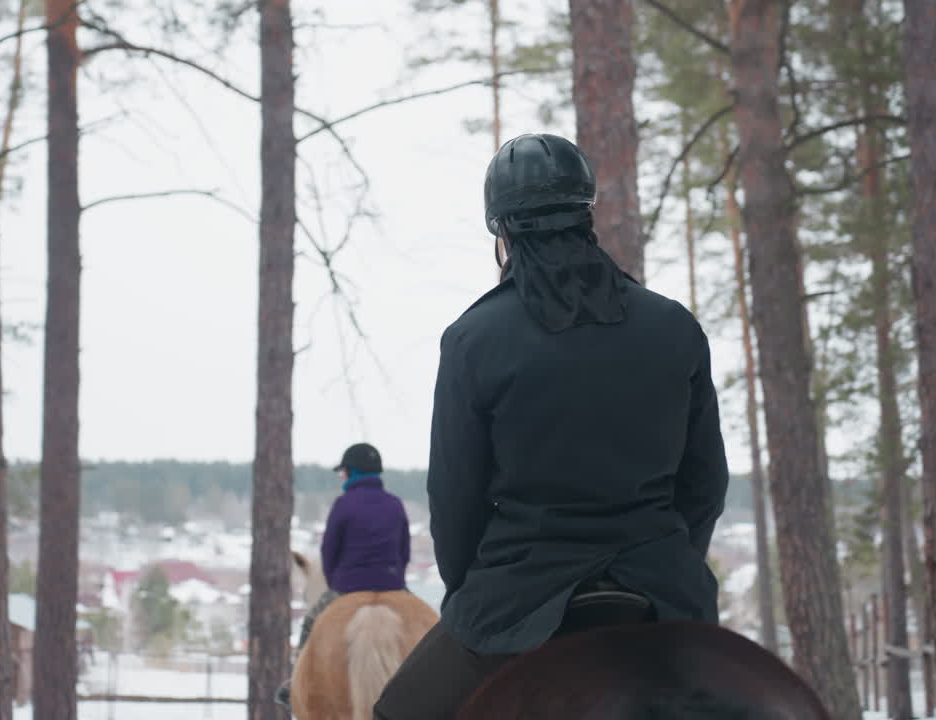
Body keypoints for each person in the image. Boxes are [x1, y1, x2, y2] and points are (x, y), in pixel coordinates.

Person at [372, 133, 730, 720]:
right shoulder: (673, 328)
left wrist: (473, 597)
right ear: (586, 215)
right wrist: (673, 564)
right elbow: (705, 483)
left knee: (396, 715)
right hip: (664, 587)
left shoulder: (472, 340)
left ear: (502, 233)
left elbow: (455, 496)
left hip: (518, 595)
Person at [275, 442, 412, 707]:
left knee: (311, 622)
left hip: (349, 586)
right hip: (392, 585)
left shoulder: (343, 504)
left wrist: (337, 581)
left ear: (352, 473)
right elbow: (404, 550)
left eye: (343, 473)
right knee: (427, 629)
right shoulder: (395, 505)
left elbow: (329, 551)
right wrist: (395, 580)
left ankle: (297, 683)